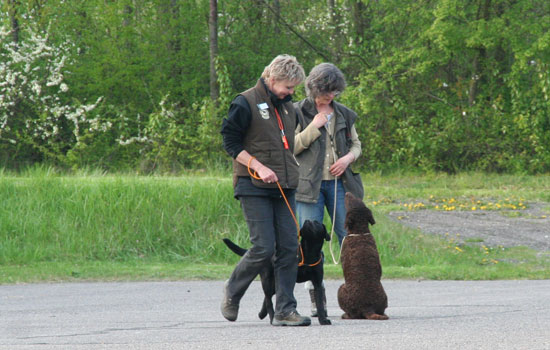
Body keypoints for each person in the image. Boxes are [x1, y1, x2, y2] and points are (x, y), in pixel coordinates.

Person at [220, 54, 310, 327]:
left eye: (294, 88)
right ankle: (232, 292)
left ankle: (285, 310)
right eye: (288, 87)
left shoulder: (288, 107)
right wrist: (258, 166)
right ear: (272, 79)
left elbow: (286, 143)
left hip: (284, 186)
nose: (291, 93)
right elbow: (230, 142)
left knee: (289, 248)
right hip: (253, 184)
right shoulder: (245, 102)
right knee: (263, 247)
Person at [294, 62, 364, 316]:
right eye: (327, 91)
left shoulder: (345, 113)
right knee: (310, 244)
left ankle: (358, 294)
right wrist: (314, 127)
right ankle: (316, 299)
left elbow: (356, 145)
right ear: (313, 87)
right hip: (308, 188)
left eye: (335, 91)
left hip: (341, 186)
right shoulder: (297, 111)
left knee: (350, 241)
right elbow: (291, 147)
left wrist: (347, 159)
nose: (331, 96)